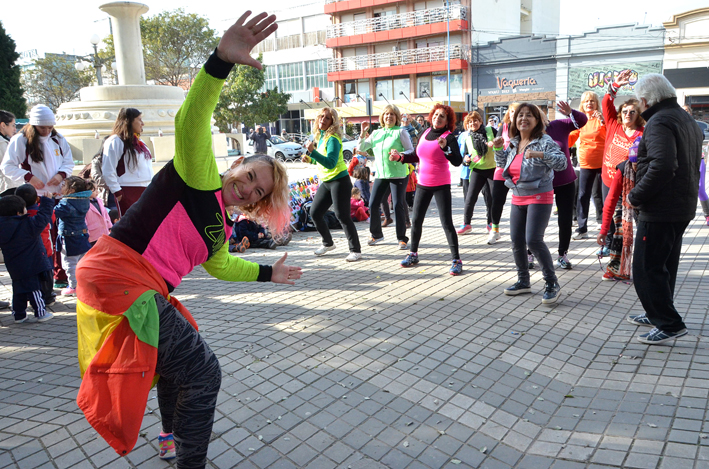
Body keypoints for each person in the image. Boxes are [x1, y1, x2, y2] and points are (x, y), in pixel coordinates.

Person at [74, 13, 302, 468]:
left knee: (175, 366)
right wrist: (220, 61)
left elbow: (220, 265)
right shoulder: (200, 178)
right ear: (237, 165)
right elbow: (191, 117)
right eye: (250, 177)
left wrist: (266, 272)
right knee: (204, 370)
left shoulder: (219, 224)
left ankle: (169, 440)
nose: (249, 189)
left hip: (128, 283)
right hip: (120, 274)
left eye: (258, 193)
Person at [624, 74, 703, 345]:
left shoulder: (659, 121)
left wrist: (635, 195)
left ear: (646, 100)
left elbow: (663, 166)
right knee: (664, 264)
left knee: (646, 268)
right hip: (680, 205)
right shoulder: (684, 117)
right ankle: (656, 311)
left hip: (661, 207)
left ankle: (669, 323)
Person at [493, 103, 567, 304]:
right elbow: (502, 165)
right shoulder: (514, 142)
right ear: (514, 121)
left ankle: (552, 283)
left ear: (537, 121)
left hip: (539, 195)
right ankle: (523, 281)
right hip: (518, 195)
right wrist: (499, 148)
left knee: (533, 239)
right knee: (517, 241)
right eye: (520, 116)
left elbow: (562, 163)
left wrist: (541, 155)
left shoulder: (544, 141)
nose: (523, 119)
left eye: (529, 116)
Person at [1, 104, 74, 289]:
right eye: (43, 128)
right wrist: (28, 177)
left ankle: (60, 274)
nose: (47, 131)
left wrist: (61, 175)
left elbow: (68, 161)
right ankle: (44, 276)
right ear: (33, 126)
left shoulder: (58, 138)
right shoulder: (20, 140)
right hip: (34, 198)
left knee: (59, 234)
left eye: (50, 127)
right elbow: (7, 166)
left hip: (56, 195)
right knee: (41, 237)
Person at [393, 104, 464, 275]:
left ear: (447, 121)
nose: (437, 118)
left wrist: (445, 147)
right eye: (436, 115)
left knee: (446, 223)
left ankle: (456, 259)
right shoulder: (425, 133)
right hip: (423, 183)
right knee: (416, 220)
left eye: (442, 116)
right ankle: (413, 254)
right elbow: (418, 155)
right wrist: (401, 157)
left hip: (441, 184)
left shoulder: (449, 137)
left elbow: (457, 161)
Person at [302, 107, 362, 261]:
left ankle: (355, 250)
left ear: (332, 122)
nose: (323, 119)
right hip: (327, 181)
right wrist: (310, 159)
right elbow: (322, 159)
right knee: (315, 213)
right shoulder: (322, 137)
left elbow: (330, 163)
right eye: (321, 116)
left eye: (327, 118)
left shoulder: (333, 138)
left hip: (339, 181)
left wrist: (312, 152)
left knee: (342, 215)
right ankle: (328, 243)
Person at [600, 70, 645, 252]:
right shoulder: (613, 125)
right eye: (625, 111)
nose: (627, 114)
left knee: (632, 220)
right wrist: (615, 85)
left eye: (632, 112)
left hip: (629, 185)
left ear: (638, 115)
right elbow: (605, 102)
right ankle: (610, 248)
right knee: (611, 218)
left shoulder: (642, 133)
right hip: (608, 181)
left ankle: (638, 252)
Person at [358, 104, 414, 250]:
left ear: (396, 117)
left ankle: (402, 238)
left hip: (398, 174)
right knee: (373, 203)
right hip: (381, 175)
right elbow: (361, 148)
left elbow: (411, 150)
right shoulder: (376, 133)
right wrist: (363, 133)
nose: (389, 117)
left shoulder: (400, 132)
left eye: (392, 114)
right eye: (386, 114)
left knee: (397, 205)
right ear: (382, 117)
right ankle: (376, 234)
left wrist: (400, 155)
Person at [544, 101, 588, 270]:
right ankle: (530, 252)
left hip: (565, 181)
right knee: (538, 220)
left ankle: (563, 254)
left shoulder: (557, 126)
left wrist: (571, 112)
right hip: (542, 183)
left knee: (565, 219)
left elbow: (582, 121)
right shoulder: (529, 133)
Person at [0, 194, 54, 323]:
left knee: (18, 290)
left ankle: (19, 315)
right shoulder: (28, 224)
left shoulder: (2, 227)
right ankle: (40, 313)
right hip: (31, 264)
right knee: (34, 289)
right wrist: (47, 201)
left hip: (13, 265)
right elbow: (43, 217)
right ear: (19, 213)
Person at [596, 136, 639, 282]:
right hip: (626, 198)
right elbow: (610, 202)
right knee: (620, 227)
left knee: (648, 234)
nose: (636, 167)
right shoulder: (623, 169)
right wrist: (603, 231)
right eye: (634, 163)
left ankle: (646, 269)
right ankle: (616, 267)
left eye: (640, 163)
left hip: (648, 202)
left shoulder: (654, 169)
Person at [102, 108, 154, 215]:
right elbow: (108, 169)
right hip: (127, 190)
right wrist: (118, 192)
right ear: (129, 121)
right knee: (131, 225)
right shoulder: (115, 141)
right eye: (139, 120)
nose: (142, 123)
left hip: (146, 189)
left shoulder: (141, 143)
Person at [569, 91, 606, 240]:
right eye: (586, 101)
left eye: (592, 101)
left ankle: (605, 226)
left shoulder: (602, 120)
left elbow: (610, 135)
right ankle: (582, 228)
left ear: (597, 103)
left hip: (603, 163)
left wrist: (603, 121)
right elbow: (570, 139)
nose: (589, 103)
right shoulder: (580, 121)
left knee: (602, 196)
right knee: (583, 196)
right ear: (582, 105)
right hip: (585, 163)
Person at [15, 184, 55, 305]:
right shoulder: (42, 212)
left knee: (33, 275)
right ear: (37, 198)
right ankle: (47, 297)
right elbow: (52, 219)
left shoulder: (18, 216)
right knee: (47, 275)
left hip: (28, 251)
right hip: (46, 248)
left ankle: (33, 296)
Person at [457, 111, 495, 236]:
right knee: (470, 198)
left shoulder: (491, 131)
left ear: (480, 121)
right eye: (469, 122)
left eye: (475, 121)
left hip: (491, 169)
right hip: (477, 170)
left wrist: (494, 144)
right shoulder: (467, 137)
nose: (473, 123)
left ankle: (491, 223)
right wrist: (465, 159)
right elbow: (465, 156)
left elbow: (502, 143)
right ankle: (466, 223)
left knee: (491, 198)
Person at [54, 176, 92, 296]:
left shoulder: (66, 203)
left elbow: (54, 212)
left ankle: (74, 286)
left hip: (69, 238)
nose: (61, 187)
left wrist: (49, 199)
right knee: (83, 262)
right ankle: (84, 284)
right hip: (83, 235)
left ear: (71, 190)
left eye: (64, 185)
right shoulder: (84, 200)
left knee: (69, 264)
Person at [488, 103, 520, 245]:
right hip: (502, 167)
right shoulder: (504, 127)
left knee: (520, 201)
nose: (514, 113)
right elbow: (498, 145)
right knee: (497, 200)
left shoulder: (524, 128)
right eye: (512, 111)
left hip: (519, 169)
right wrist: (496, 144)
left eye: (517, 111)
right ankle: (494, 230)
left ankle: (521, 232)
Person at [84, 179, 113, 247]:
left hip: (104, 232)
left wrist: (110, 226)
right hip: (93, 235)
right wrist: (86, 234)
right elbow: (84, 220)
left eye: (97, 189)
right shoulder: (84, 204)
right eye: (94, 190)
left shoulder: (99, 200)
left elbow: (105, 214)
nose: (97, 191)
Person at [0, 110, 18, 193]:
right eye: (13, 125)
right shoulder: (2, 143)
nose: (15, 129)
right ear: (3, 125)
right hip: (6, 187)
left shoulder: (5, 141)